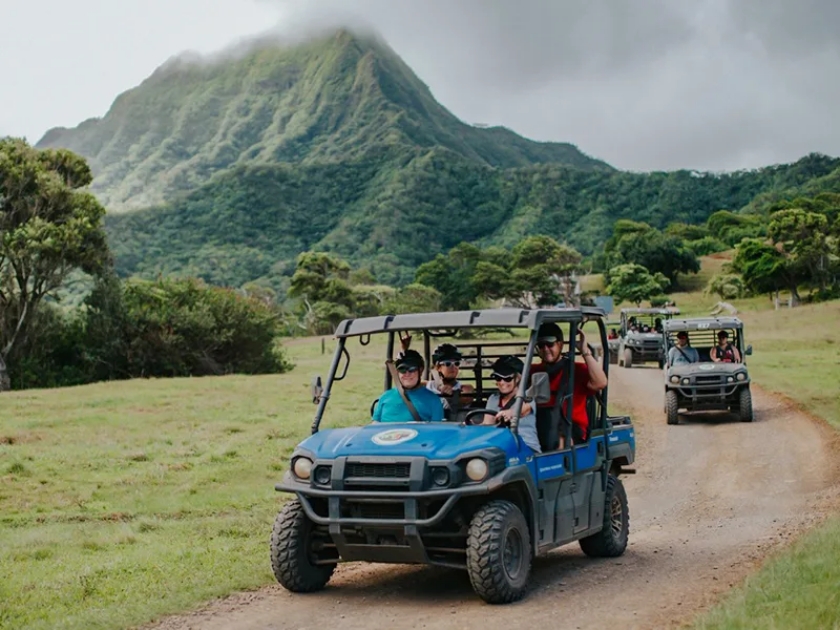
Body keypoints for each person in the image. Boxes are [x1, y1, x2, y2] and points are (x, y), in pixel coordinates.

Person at [530, 322, 608, 449]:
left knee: (560, 439)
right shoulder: (534, 371)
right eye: (541, 345)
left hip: (570, 427)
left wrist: (584, 351)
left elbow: (600, 383)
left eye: (550, 344)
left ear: (560, 344)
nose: (545, 349)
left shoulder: (575, 369)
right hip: (540, 424)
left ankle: (558, 466)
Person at [481, 355, 541, 454]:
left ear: (518, 378)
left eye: (507, 378)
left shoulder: (527, 396)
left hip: (527, 448)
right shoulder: (493, 399)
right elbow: (487, 426)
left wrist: (510, 413)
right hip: (499, 447)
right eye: (498, 378)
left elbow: (523, 410)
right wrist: (470, 426)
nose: (502, 382)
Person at [372, 350, 445, 423]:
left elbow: (437, 431)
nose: (407, 373)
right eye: (402, 369)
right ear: (397, 372)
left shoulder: (433, 400)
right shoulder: (385, 397)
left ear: (421, 370)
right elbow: (374, 425)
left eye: (412, 369)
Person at [425, 343, 475, 411]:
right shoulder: (428, 386)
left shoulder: (465, 388)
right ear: (437, 367)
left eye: (456, 363)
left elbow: (465, 398)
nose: (453, 367)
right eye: (448, 363)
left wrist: (452, 395)